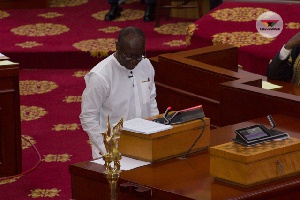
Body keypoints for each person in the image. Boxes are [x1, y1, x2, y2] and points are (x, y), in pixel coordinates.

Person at [80, 26, 159, 159]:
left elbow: (151, 101)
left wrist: (156, 131)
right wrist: (106, 148)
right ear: (117, 47)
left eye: (138, 56)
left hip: (144, 143)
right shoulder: (101, 76)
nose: (134, 62)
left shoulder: (145, 64)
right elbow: (88, 117)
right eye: (129, 56)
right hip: (111, 148)